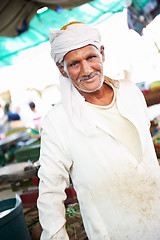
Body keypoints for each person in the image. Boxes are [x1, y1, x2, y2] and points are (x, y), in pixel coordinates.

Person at [37, 21, 160, 240]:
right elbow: (50, 192)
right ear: (62, 69)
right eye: (74, 63)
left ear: (102, 53)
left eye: (91, 57)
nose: (86, 70)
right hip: (114, 232)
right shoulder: (57, 122)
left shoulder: (131, 92)